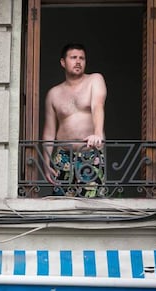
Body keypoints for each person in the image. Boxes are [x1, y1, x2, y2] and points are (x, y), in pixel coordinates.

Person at [42, 43, 107, 197]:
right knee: (61, 204)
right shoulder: (53, 93)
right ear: (63, 62)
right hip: (63, 156)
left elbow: (98, 106)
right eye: (73, 58)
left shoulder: (94, 79)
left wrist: (97, 134)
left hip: (90, 153)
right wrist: (45, 163)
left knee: (91, 204)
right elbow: (49, 132)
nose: (78, 61)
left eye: (81, 58)